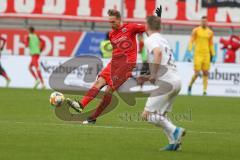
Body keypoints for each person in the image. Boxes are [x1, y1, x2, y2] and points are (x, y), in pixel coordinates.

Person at [66, 9, 145, 124]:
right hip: (114, 63)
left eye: (113, 22)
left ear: (119, 20)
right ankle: (81, 105)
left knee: (108, 91)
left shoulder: (131, 27)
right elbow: (116, 49)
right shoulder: (111, 34)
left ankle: (93, 117)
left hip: (127, 64)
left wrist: (156, 18)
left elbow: (148, 28)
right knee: (99, 82)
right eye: (109, 22)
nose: (111, 24)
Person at [137, 15, 185, 151]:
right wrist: (148, 76)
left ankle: (175, 130)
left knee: (147, 115)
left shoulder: (150, 39)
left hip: (166, 82)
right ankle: (174, 143)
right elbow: (163, 60)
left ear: (147, 26)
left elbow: (157, 54)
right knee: (161, 115)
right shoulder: (163, 39)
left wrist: (152, 75)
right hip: (176, 81)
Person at [187, 16, 215, 95]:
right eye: (202, 21)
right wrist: (189, 51)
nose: (204, 22)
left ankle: (204, 90)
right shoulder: (196, 30)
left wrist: (213, 54)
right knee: (197, 73)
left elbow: (211, 44)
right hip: (197, 54)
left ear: (207, 22)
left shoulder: (210, 32)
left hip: (206, 54)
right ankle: (190, 85)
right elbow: (191, 41)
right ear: (200, 22)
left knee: (206, 72)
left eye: (205, 21)